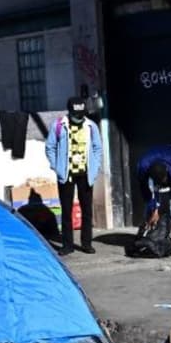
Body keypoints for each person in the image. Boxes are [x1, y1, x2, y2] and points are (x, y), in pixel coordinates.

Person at [45, 97, 103, 255]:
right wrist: (56, 167)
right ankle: (67, 245)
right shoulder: (59, 125)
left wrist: (95, 168)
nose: (78, 117)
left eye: (81, 114)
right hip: (66, 175)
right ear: (69, 112)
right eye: (76, 114)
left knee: (87, 211)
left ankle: (86, 243)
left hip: (86, 175)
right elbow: (50, 147)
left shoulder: (91, 126)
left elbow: (98, 148)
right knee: (66, 211)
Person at [136, 144, 171, 254]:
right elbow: (146, 191)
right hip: (153, 160)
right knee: (151, 205)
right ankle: (149, 229)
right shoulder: (142, 167)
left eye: (163, 182)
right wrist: (154, 209)